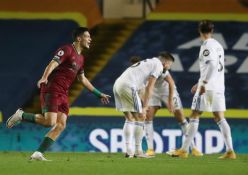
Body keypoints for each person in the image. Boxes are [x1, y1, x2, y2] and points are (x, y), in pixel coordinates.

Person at [6, 27, 111, 161]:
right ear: (79, 38)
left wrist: (98, 93)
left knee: (61, 124)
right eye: (87, 36)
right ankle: (21, 115)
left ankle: (38, 153)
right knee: (50, 122)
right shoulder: (67, 50)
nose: (90, 39)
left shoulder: (81, 58)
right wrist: (44, 77)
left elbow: (82, 79)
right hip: (52, 88)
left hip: (64, 93)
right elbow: (53, 63)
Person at [168, 20, 236, 159]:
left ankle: (184, 150)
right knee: (220, 118)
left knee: (194, 115)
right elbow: (214, 67)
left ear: (199, 32)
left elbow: (211, 65)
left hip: (207, 88)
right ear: (212, 31)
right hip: (218, 86)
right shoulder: (218, 45)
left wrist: (203, 83)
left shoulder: (206, 46)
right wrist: (199, 82)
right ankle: (230, 151)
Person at [113, 52, 174, 158]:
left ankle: (129, 151)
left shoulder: (148, 64)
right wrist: (145, 107)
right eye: (170, 65)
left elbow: (142, 89)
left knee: (129, 118)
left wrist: (144, 104)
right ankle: (138, 151)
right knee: (140, 118)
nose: (169, 68)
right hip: (128, 86)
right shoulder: (158, 66)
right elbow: (150, 88)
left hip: (118, 85)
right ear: (165, 63)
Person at [144, 70, 203, 157]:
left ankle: (193, 148)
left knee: (181, 119)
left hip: (168, 91)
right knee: (148, 118)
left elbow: (171, 82)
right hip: (153, 92)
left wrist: (170, 101)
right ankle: (150, 149)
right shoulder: (144, 70)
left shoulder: (161, 69)